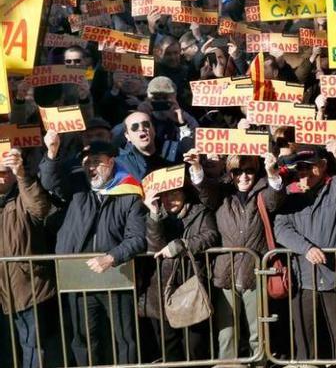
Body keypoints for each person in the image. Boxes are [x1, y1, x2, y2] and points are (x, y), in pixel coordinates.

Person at [41, 133, 146, 366]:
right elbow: (49, 182)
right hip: (78, 277)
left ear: (110, 162)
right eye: (87, 162)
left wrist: (112, 257)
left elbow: (138, 238)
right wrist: (52, 152)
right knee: (83, 339)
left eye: (96, 161)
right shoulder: (77, 188)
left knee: (125, 339)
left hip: (116, 277)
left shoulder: (128, 194)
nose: (91, 167)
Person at [184, 149, 285, 362]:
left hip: (254, 273)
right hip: (226, 272)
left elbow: (275, 200)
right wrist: (196, 167)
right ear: (231, 173)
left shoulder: (263, 191)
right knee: (227, 332)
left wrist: (272, 174)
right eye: (238, 171)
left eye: (249, 170)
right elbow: (204, 191)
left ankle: (259, 365)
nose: (244, 176)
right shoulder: (221, 192)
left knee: (257, 331)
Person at [273, 141, 336, 360]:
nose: (305, 172)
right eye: (300, 167)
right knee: (307, 344)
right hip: (304, 278)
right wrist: (306, 248)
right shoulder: (289, 194)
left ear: (322, 165)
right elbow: (281, 229)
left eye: (310, 166)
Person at [142, 186, 219, 362]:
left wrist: (181, 245)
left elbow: (211, 235)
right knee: (170, 347)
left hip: (190, 285)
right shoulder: (155, 216)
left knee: (195, 345)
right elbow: (153, 247)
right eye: (165, 195)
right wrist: (153, 214)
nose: (170, 199)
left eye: (175, 193)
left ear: (184, 193)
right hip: (162, 287)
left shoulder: (200, 212)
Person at [0, 148, 59, 368]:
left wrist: (22, 176)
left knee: (33, 349)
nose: (2, 176)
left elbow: (40, 208)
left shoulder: (23, 193)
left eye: (6, 172)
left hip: (29, 289)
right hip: (3, 293)